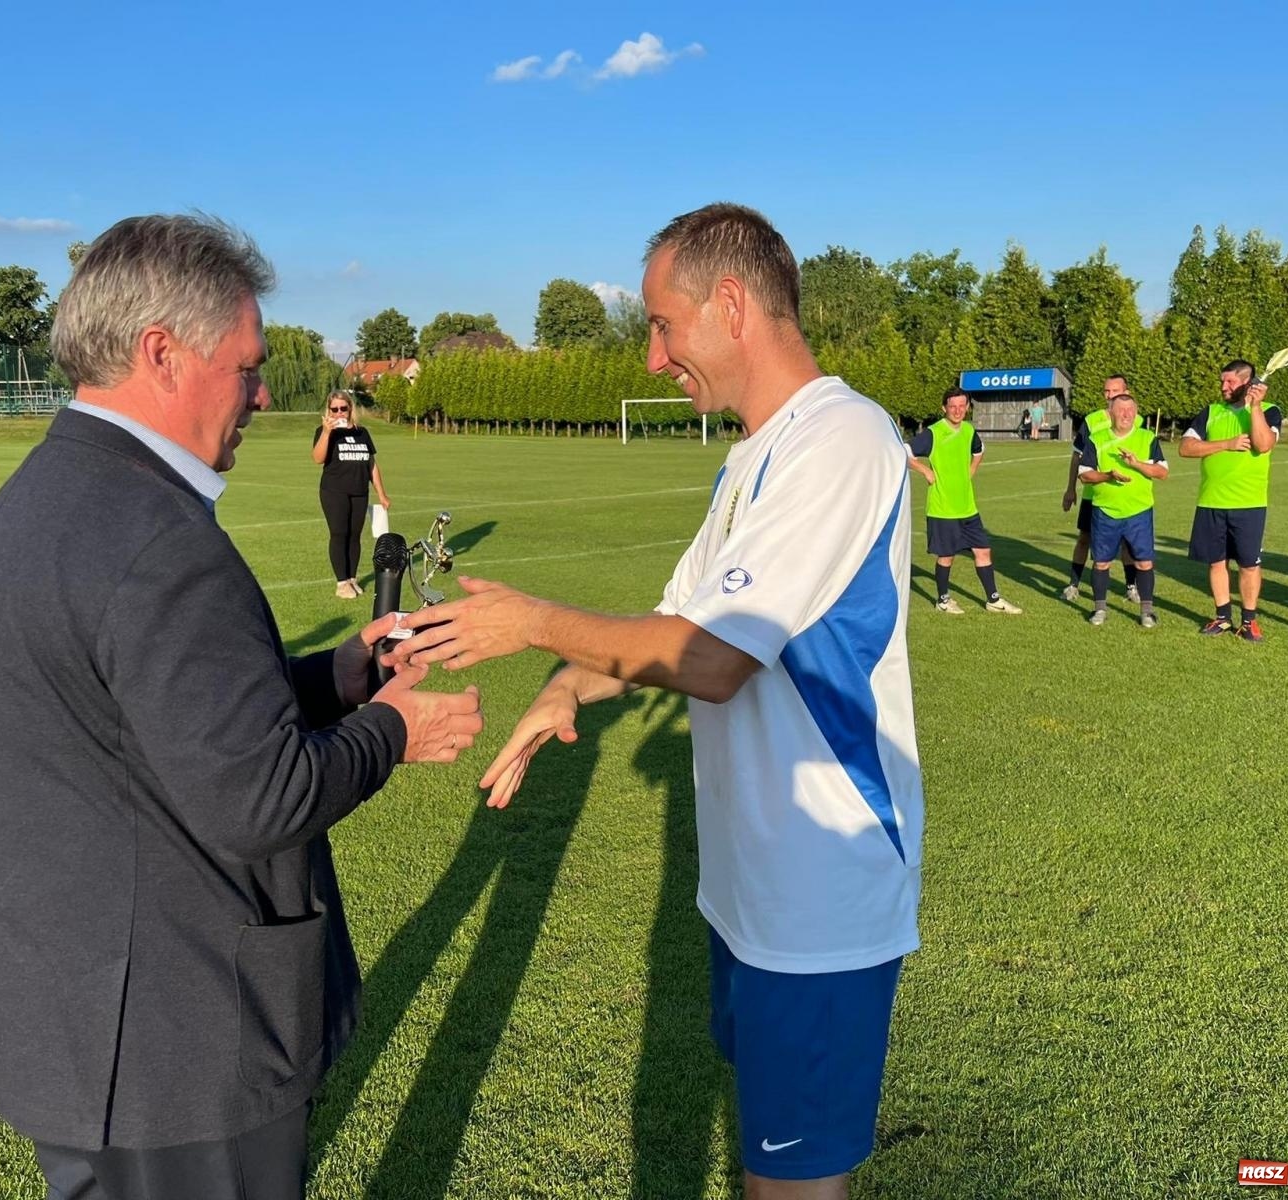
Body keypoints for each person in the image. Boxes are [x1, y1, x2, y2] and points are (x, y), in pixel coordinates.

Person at [390, 203, 922, 1200]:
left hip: (820, 889)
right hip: (751, 890)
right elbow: (672, 620)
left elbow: (713, 662)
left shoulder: (841, 440)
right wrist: (564, 688)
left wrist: (535, 623)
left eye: (660, 325)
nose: (650, 358)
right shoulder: (751, 457)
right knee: (769, 1161)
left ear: (729, 305)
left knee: (795, 1188)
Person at [0, 214, 483, 1200]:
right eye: (245, 365)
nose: (261, 392)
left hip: (79, 1015)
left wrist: (339, 676)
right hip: (169, 1041)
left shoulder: (47, 489)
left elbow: (149, 719)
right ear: (160, 352)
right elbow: (260, 796)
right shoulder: (157, 536)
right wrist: (396, 729)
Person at [1179, 359, 1280, 641]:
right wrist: (1227, 444)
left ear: (1247, 383)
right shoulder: (1210, 412)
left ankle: (1249, 622)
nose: (1223, 387)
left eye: (1230, 382)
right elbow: (1185, 448)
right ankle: (1222, 617)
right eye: (1222, 381)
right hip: (1211, 502)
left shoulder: (1270, 411)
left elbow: (1263, 444)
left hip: (1249, 504)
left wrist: (1256, 406)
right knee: (1216, 562)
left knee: (1248, 564)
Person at [906, 388, 1023, 615]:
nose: (958, 410)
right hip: (943, 508)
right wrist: (924, 471)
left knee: (983, 551)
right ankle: (943, 600)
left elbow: (979, 450)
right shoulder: (934, 432)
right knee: (947, 556)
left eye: (962, 406)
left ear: (967, 407)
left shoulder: (969, 430)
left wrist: (971, 469)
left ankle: (993, 599)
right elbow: (903, 450)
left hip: (968, 507)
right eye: (953, 406)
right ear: (944, 408)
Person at [1074, 394, 1168, 626]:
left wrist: (1136, 464)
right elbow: (1084, 474)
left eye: (1130, 410)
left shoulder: (1147, 438)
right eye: (1121, 410)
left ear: (1136, 413)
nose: (1126, 415)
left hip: (1139, 511)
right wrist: (1108, 475)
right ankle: (1100, 610)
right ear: (1111, 413)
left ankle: (1146, 612)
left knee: (1144, 562)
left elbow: (1162, 472)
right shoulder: (1096, 439)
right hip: (1105, 512)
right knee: (1101, 563)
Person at [1061, 374, 1140, 603]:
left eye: (1114, 391)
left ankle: (1131, 586)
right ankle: (1073, 585)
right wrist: (1070, 489)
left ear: (1126, 391)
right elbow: (1077, 457)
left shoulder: (1138, 420)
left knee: (1127, 542)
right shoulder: (1092, 420)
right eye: (1106, 391)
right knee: (1084, 539)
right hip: (1093, 493)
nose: (1109, 396)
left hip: (1125, 494)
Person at [313, 390, 389, 600]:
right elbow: (317, 459)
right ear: (328, 410)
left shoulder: (362, 432)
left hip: (359, 491)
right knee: (339, 534)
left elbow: (371, 464)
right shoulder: (325, 431)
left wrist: (381, 494)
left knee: (355, 536)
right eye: (334, 409)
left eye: (343, 409)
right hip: (334, 491)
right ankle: (341, 582)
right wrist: (327, 433)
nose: (339, 413)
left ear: (350, 409)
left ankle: (352, 578)